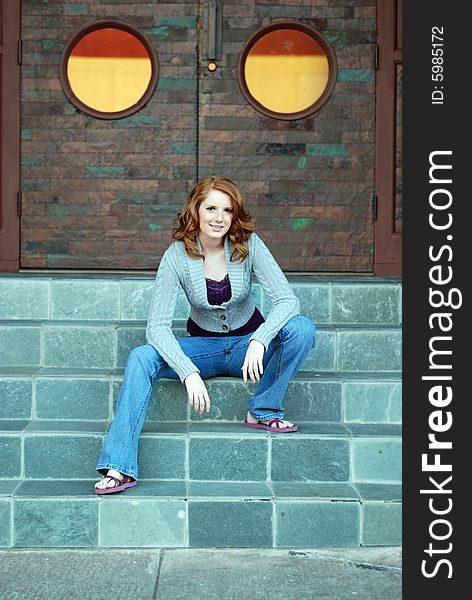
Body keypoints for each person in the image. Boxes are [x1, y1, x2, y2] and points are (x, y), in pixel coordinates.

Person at [94, 175, 316, 494]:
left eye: (227, 210)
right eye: (210, 208)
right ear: (196, 210)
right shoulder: (176, 255)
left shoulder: (248, 244)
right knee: (141, 357)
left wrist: (260, 338)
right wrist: (188, 372)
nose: (218, 218)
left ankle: (263, 409)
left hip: (246, 349)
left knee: (301, 329)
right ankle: (120, 467)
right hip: (203, 349)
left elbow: (287, 300)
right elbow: (156, 327)